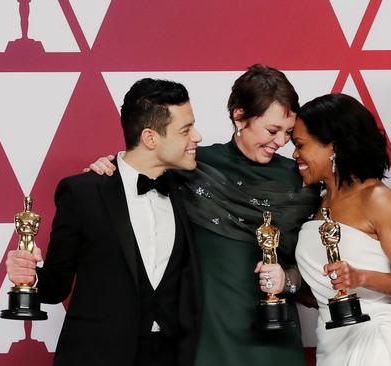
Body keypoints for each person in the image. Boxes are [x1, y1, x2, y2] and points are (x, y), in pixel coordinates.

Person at [87, 64, 320, 366]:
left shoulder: (301, 181)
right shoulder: (194, 166)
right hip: (209, 334)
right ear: (239, 116)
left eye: (288, 133)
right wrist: (106, 168)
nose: (281, 142)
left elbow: (313, 265)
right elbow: (138, 170)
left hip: (276, 332)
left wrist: (287, 280)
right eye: (272, 130)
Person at [5, 78, 203, 366]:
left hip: (170, 356)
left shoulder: (188, 189)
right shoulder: (83, 192)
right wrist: (28, 276)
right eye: (185, 130)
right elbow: (56, 286)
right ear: (150, 138)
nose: (197, 136)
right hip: (96, 355)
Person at [289, 93, 391, 366]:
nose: (295, 154)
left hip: (377, 339)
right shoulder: (317, 205)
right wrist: (285, 283)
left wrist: (360, 277)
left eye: (300, 144)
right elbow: (324, 292)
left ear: (333, 146)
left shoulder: (379, 200)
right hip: (332, 342)